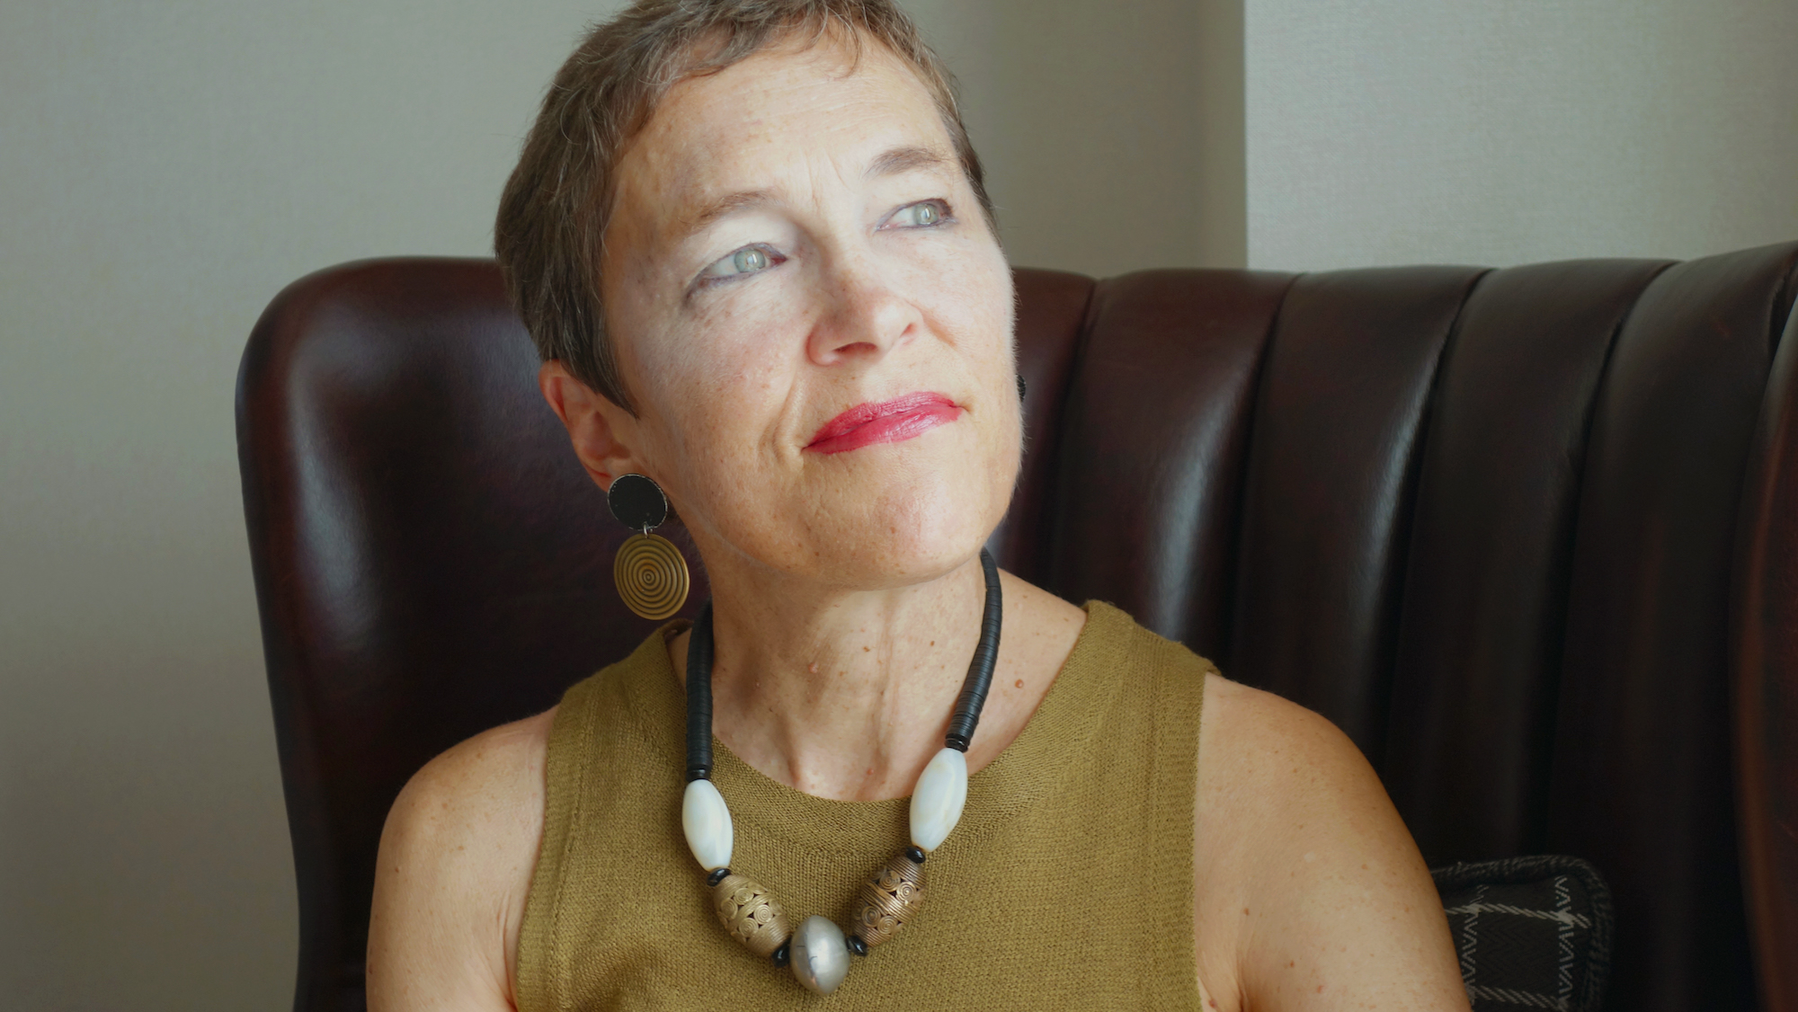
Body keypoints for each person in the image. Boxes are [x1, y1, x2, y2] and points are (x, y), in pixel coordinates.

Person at [366, 1, 1471, 1008]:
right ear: (604, 427)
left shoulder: (1274, 809)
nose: (873, 309)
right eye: (742, 258)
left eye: (918, 210)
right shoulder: (474, 853)